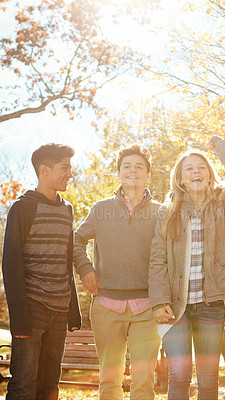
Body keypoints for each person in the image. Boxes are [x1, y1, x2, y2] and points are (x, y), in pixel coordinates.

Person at [148, 135, 225, 400]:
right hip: (175, 307)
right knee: (179, 376)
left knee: (207, 379)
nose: (196, 172)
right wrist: (158, 301)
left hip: (210, 305)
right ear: (180, 178)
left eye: (202, 167)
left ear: (210, 175)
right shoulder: (167, 212)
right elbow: (158, 259)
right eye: (189, 168)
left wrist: (223, 147)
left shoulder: (221, 205)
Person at [73, 145, 161, 400]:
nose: (132, 171)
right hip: (106, 305)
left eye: (139, 167)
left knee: (144, 379)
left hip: (148, 307)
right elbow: (76, 239)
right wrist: (85, 268)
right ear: (119, 173)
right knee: (109, 378)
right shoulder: (101, 208)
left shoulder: (160, 212)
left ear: (148, 175)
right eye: (127, 166)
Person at [2, 143, 81, 400]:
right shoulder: (22, 208)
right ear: (44, 170)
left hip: (59, 309)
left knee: (50, 384)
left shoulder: (67, 210)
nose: (70, 174)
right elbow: (11, 265)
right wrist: (19, 318)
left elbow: (65, 261)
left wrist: (72, 310)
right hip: (32, 308)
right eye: (64, 168)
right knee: (24, 381)